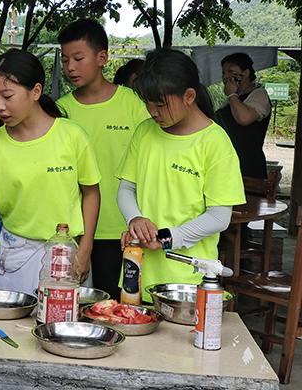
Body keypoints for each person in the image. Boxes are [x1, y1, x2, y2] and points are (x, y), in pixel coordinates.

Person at [0, 48, 101, 296]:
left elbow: (91, 194)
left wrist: (86, 248)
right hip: (16, 255)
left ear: (36, 91)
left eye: (7, 96)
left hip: (66, 254)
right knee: (11, 329)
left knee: (59, 327)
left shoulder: (72, 136)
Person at [115, 48, 246, 303]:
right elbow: (126, 188)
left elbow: (219, 217)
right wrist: (135, 218)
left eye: (160, 104)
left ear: (189, 96)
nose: (152, 111)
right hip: (137, 271)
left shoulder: (215, 142)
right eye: (147, 102)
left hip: (187, 280)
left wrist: (167, 238)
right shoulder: (145, 132)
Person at [57, 19, 149, 300]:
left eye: (78, 58)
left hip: (121, 229)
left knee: (116, 308)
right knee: (74, 309)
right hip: (73, 231)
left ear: (102, 58)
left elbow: (148, 159)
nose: (70, 67)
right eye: (64, 60)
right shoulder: (61, 110)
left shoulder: (132, 103)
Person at [215, 52, 271, 180]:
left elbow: (244, 119)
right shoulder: (231, 101)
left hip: (249, 166)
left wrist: (231, 95)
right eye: (223, 72)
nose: (225, 77)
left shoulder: (259, 95)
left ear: (245, 73)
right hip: (228, 164)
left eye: (231, 71)